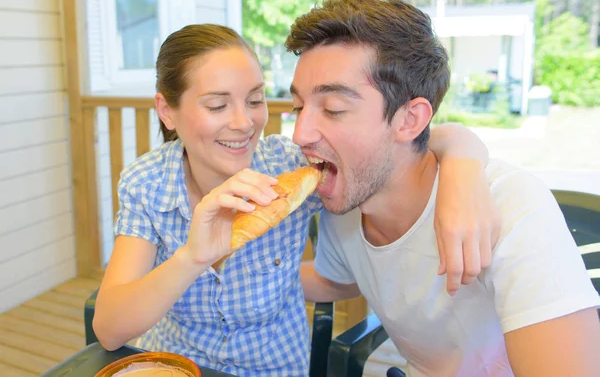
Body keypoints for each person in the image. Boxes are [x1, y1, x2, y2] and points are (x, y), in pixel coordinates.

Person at [93, 24, 497, 376]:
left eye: (255, 100)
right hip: (177, 364)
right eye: (217, 105)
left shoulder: (291, 165)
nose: (243, 122)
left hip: (275, 367)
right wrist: (193, 257)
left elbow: (395, 146)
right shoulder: (147, 182)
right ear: (167, 110)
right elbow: (109, 328)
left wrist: (463, 162)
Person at [292, 0, 600, 376]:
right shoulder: (346, 202)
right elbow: (336, 281)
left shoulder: (512, 206)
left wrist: (465, 163)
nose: (300, 134)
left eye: (334, 109)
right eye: (298, 107)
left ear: (409, 120)